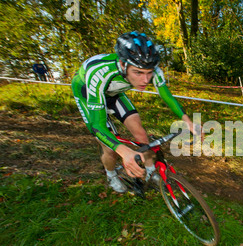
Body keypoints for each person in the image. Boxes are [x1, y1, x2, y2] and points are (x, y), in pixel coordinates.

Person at [71, 31, 201, 193]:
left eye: (148, 73)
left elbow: (167, 97)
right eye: (138, 73)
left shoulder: (151, 68)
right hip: (86, 93)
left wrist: (187, 121)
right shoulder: (99, 72)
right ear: (122, 64)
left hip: (113, 93)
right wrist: (123, 150)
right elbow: (97, 125)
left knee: (141, 133)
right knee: (110, 149)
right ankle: (111, 175)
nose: (145, 80)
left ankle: (149, 171)